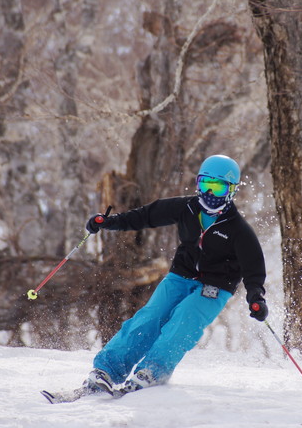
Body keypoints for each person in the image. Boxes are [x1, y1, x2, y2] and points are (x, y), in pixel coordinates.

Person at [82, 154, 268, 396]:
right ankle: (107, 370)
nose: (210, 193)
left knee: (184, 319)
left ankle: (152, 371)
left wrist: (256, 297)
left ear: (231, 190)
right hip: (180, 276)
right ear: (198, 183)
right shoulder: (186, 208)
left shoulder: (239, 230)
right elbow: (145, 216)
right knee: (151, 317)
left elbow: (254, 268)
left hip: (215, 286)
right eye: (205, 184)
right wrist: (108, 222)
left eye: (218, 187)